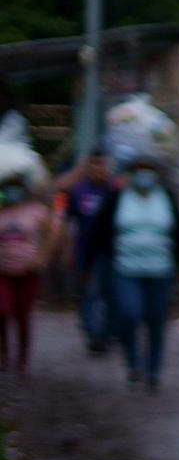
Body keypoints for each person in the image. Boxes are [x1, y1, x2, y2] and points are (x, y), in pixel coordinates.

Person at [87, 155, 179, 391]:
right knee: (129, 313)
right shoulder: (118, 198)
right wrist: (86, 264)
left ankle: (152, 370)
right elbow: (98, 231)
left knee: (156, 320)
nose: (145, 175)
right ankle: (133, 362)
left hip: (160, 270)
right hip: (126, 269)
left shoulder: (166, 197)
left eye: (149, 170)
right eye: (140, 170)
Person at [60, 151, 119, 355]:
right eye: (94, 165)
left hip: (112, 253)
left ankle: (107, 334)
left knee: (113, 294)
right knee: (88, 293)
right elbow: (70, 223)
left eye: (102, 165)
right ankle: (93, 334)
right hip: (86, 253)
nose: (99, 169)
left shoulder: (115, 191)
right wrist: (67, 250)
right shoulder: (78, 192)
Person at [0, 177, 58, 376]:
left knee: (22, 315)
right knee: (3, 310)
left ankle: (22, 360)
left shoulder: (35, 210)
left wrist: (42, 257)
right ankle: (4, 352)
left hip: (28, 272)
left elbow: (53, 231)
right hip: (3, 273)